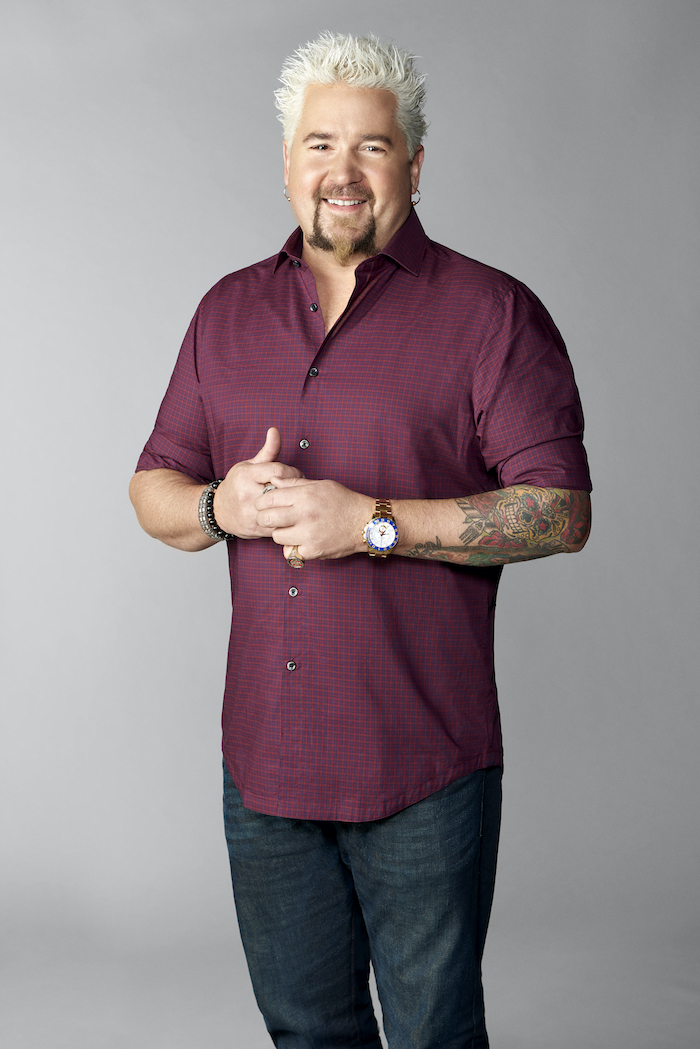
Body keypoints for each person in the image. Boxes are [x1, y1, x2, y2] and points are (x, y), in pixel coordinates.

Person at [130, 31, 591, 1049]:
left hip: (422, 768)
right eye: (320, 144)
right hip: (264, 769)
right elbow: (152, 486)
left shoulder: (492, 315)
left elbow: (560, 511)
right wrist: (218, 508)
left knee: (433, 1034)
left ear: (414, 166)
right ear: (286, 163)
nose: (343, 171)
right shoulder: (224, 313)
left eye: (372, 146)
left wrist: (371, 522)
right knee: (305, 1032)